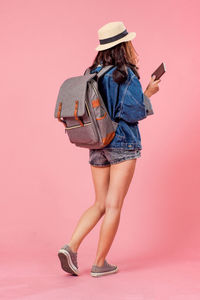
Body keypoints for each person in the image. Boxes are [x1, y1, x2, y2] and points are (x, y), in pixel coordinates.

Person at [57, 21, 161, 278]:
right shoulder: (124, 74)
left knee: (100, 203)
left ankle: (70, 247)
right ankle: (100, 263)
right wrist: (149, 92)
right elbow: (134, 111)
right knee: (113, 206)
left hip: (96, 143)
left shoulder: (93, 71)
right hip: (122, 142)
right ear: (123, 45)